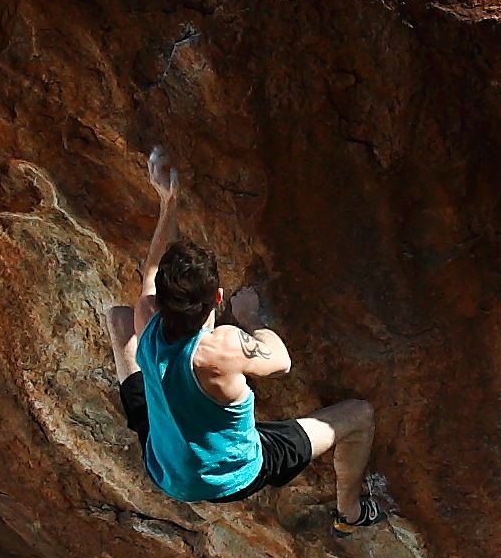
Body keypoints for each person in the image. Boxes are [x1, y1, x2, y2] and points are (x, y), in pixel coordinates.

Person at [114, 148, 380, 526]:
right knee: (360, 416)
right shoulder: (222, 349)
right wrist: (251, 318)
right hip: (230, 477)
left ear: (161, 299)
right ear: (218, 299)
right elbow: (281, 361)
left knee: (119, 319)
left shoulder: (148, 318)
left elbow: (154, 267)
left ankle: (150, 403)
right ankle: (350, 514)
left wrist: (168, 201)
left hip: (165, 465)